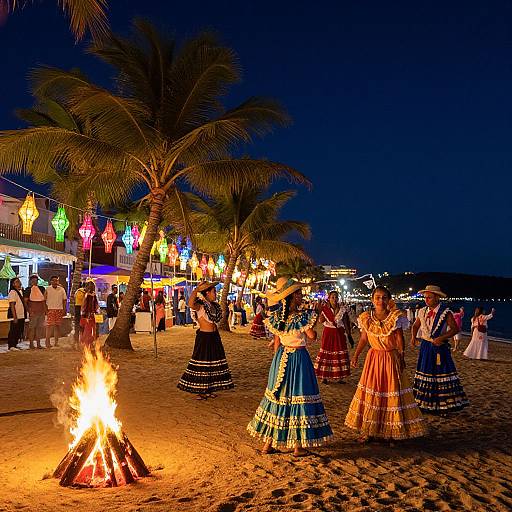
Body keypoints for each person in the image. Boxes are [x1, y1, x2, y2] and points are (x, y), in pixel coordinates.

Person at [247, 278, 333, 457]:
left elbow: (277, 342)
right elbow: (312, 337)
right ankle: (297, 447)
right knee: (298, 397)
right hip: (299, 359)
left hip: (281, 359)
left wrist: (277, 364)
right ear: (293, 297)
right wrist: (315, 316)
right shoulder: (302, 317)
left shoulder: (277, 317)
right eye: (299, 294)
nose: (301, 296)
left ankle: (268, 444)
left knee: (278, 397)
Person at [345, 286, 427, 443]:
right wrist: (355, 356)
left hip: (390, 358)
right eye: (377, 297)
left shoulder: (395, 317)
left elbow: (399, 338)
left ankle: (391, 432)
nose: (380, 300)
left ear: (388, 300)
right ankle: (369, 431)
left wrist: (401, 355)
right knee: (372, 393)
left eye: (383, 297)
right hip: (373, 358)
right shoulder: (366, 318)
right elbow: (363, 339)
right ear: (372, 299)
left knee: (390, 392)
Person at [411, 285, 469, 414]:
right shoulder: (421, 311)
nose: (426, 300)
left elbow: (455, 329)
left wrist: (441, 338)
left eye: (429, 297)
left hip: (439, 348)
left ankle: (443, 405)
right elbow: (415, 325)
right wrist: (413, 337)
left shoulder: (446, 312)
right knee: (425, 371)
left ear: (437, 297)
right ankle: (424, 402)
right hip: (426, 346)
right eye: (425, 297)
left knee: (440, 373)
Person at [177, 282, 234, 399]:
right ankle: (202, 390)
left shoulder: (213, 306)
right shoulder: (200, 305)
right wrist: (196, 289)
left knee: (213, 362)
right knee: (203, 363)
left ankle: (209, 388)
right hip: (204, 337)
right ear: (207, 293)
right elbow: (190, 303)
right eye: (214, 291)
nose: (216, 294)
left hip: (214, 336)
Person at [314, 291, 351, 384]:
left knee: (339, 352)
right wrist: (320, 312)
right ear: (329, 299)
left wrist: (349, 335)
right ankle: (324, 376)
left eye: (336, 297)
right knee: (327, 353)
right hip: (328, 333)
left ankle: (340, 377)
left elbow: (346, 322)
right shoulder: (325, 309)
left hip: (339, 333)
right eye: (333, 297)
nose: (335, 299)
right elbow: (320, 320)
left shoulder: (342, 309)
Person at [23, 274, 46, 349]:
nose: (34, 282)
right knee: (32, 328)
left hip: (41, 311)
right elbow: (25, 302)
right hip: (33, 311)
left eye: (36, 280)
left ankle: (39, 344)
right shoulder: (28, 290)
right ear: (30, 281)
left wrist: (44, 310)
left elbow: (43, 300)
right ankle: (31, 344)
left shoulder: (42, 288)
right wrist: (29, 311)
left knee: (39, 328)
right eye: (33, 280)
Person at [44, 276, 67, 348]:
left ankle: (56, 342)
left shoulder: (62, 289)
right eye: (53, 280)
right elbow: (44, 300)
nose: (55, 282)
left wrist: (64, 309)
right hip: (50, 309)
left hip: (59, 309)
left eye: (56, 281)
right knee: (49, 326)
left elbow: (64, 300)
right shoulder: (47, 289)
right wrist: (46, 310)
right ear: (50, 281)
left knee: (57, 326)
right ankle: (47, 342)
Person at [7, 277, 27, 351]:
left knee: (19, 330)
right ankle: (11, 345)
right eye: (17, 281)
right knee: (13, 330)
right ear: (13, 284)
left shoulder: (20, 291)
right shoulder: (13, 292)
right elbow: (12, 305)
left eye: (19, 281)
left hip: (21, 315)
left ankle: (15, 344)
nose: (19, 282)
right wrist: (15, 316)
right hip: (16, 315)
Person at [80, 281, 99, 348]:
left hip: (90, 314)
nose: (91, 287)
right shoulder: (88, 295)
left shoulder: (90, 295)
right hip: (88, 314)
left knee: (90, 329)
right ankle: (87, 343)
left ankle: (89, 343)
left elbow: (95, 305)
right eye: (90, 286)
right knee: (88, 329)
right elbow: (85, 305)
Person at [73, 282, 86, 348]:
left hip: (78, 308)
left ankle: (77, 341)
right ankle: (78, 341)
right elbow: (82, 299)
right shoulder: (81, 291)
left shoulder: (77, 291)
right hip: (80, 308)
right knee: (81, 326)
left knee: (78, 326)